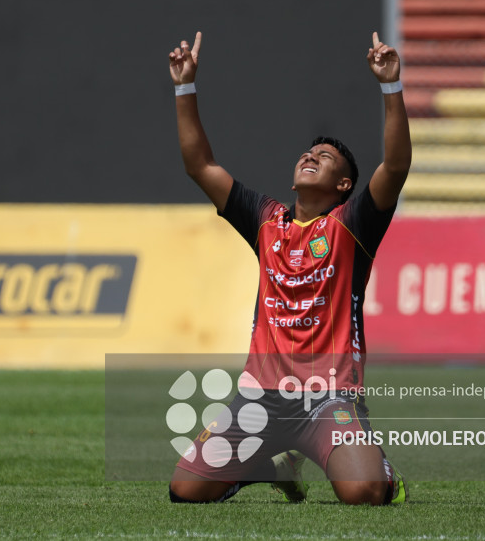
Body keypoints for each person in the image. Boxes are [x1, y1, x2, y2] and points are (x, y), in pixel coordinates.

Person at [167, 30, 411, 505]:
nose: (309, 156)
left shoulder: (352, 225)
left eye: (323, 158)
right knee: (186, 489)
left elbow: (396, 167)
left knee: (363, 492)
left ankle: (382, 471)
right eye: (307, 153)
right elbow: (200, 166)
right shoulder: (264, 218)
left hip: (330, 398)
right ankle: (271, 467)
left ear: (343, 185)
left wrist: (390, 87)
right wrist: (184, 88)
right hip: (261, 400)